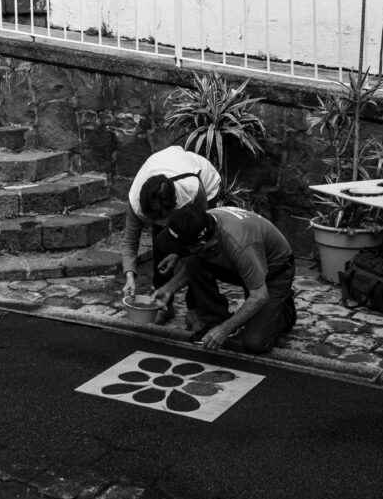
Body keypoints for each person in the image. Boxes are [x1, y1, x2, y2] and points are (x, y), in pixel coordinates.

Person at [152, 203, 297, 353]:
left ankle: (285, 311)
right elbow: (192, 261)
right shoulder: (201, 224)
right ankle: (215, 320)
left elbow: (259, 297)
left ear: (200, 244)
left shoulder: (240, 245)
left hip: (274, 272)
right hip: (240, 265)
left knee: (255, 343)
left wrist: (225, 329)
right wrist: (169, 289)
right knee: (192, 259)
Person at [121, 145, 222, 318]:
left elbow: (202, 235)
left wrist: (180, 254)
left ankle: (196, 307)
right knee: (161, 244)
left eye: (163, 219)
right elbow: (130, 242)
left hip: (206, 184)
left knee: (197, 249)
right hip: (168, 171)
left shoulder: (192, 190)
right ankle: (164, 304)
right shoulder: (136, 202)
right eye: (153, 220)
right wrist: (129, 276)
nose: (160, 224)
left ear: (174, 206)